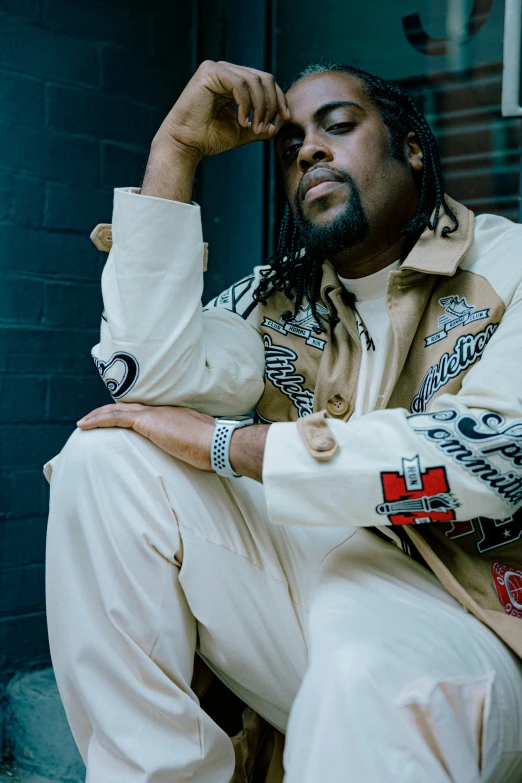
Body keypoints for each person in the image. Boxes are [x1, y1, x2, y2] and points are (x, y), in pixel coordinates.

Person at [45, 60, 522, 783]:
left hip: (467, 613)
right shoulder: (277, 298)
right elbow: (141, 375)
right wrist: (175, 151)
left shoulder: (507, 262)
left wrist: (235, 446)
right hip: (306, 591)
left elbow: (497, 458)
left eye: (338, 126)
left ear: (412, 148)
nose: (309, 150)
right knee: (103, 459)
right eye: (290, 142)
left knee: (364, 672)